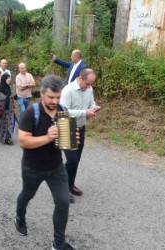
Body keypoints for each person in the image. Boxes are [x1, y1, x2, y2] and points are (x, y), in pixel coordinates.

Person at [15, 75, 75, 250]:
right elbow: (23, 142)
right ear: (42, 94)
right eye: (51, 97)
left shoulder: (63, 110)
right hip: (32, 168)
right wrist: (48, 137)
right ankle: (20, 217)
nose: (55, 101)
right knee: (27, 194)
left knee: (63, 202)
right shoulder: (30, 113)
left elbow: (64, 142)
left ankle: (58, 243)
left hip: (56, 167)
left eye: (58, 97)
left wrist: (72, 140)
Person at [60, 68, 100, 203]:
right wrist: (84, 112)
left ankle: (70, 185)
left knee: (76, 160)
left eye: (91, 84)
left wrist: (94, 108)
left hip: (81, 126)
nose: (89, 87)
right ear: (80, 78)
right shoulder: (68, 90)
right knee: (71, 160)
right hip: (66, 126)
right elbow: (63, 112)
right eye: (87, 84)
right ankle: (62, 188)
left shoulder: (89, 89)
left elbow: (91, 103)